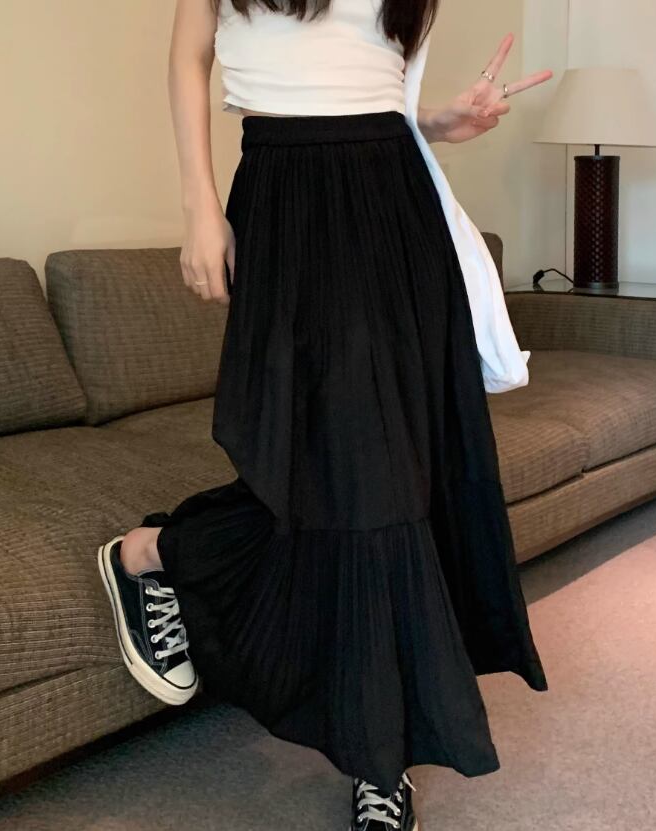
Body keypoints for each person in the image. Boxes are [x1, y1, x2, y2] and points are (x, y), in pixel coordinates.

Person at [97, 1, 553, 828]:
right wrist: (200, 206)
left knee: (406, 470)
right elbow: (189, 57)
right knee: (344, 469)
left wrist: (439, 121)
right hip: (288, 195)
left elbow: (369, 83)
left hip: (397, 200)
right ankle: (156, 556)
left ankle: (377, 752)